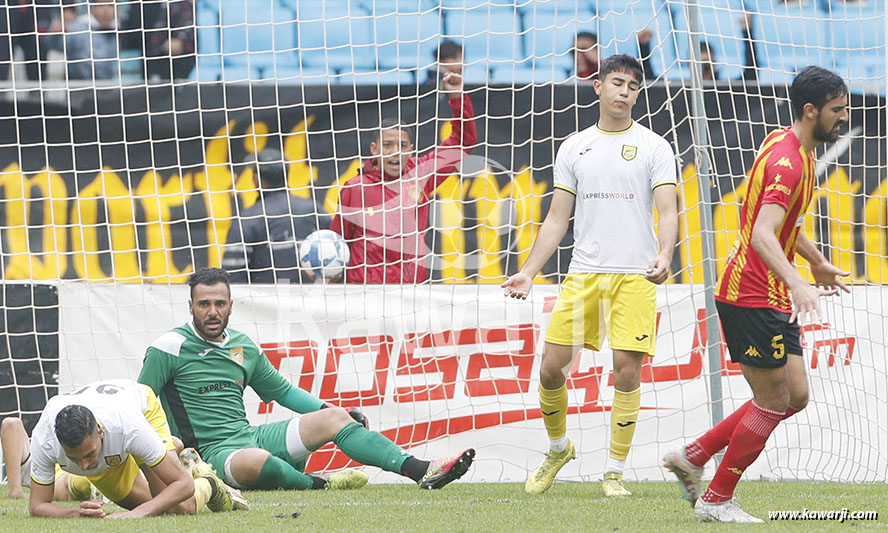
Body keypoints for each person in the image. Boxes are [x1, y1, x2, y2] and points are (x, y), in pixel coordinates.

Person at [663, 66, 849, 523]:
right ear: (811, 111)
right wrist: (797, 280)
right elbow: (763, 235)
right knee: (772, 402)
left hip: (769, 294)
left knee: (795, 396)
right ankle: (715, 499)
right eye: (837, 111)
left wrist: (815, 261)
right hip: (751, 295)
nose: (844, 119)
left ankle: (695, 453)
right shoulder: (789, 163)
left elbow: (780, 224)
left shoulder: (789, 145)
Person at [502, 54, 679, 497]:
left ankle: (614, 473)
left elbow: (668, 208)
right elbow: (557, 218)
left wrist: (664, 253)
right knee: (550, 371)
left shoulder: (655, 146)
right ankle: (559, 448)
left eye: (633, 86)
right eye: (617, 82)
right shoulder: (574, 147)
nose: (624, 91)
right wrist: (527, 272)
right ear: (597, 86)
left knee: (625, 374)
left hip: (634, 278)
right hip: (584, 276)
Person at [138, 267, 475, 491]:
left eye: (219, 304)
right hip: (211, 453)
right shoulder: (168, 348)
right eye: (204, 304)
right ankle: (318, 484)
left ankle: (421, 469)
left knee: (335, 417)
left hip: (250, 436)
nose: (212, 312)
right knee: (258, 462)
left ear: (231, 306)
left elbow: (281, 391)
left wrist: (332, 409)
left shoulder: (243, 346)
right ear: (191, 306)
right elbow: (142, 405)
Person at [26, 378, 249, 518]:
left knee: (180, 508)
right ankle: (166, 451)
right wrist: (75, 512)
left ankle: (208, 480)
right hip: (119, 440)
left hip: (142, 409)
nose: (84, 466)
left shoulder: (127, 427)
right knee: (157, 503)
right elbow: (37, 506)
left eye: (89, 455)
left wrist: (135, 514)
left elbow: (183, 485)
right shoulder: (44, 439)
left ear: (100, 433)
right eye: (74, 459)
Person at [330, 72, 476, 284]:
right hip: (361, 295)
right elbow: (338, 241)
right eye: (387, 145)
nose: (394, 152)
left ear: (411, 150)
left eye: (402, 146)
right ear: (374, 149)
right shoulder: (355, 188)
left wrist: (457, 97)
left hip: (409, 296)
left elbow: (463, 142)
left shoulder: (421, 174)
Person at [222, 148, 330, 284]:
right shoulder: (315, 210)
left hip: (264, 302)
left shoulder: (248, 218)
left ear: (256, 179)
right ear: (286, 176)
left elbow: (233, 275)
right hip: (314, 300)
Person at [637, 13, 758, 81]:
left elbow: (751, 76)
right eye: (699, 65)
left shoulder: (727, 89)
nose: (703, 69)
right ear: (688, 65)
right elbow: (650, 82)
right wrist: (644, 47)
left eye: (706, 64)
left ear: (715, 63)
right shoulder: (680, 90)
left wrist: (747, 33)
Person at [1, 417, 95, 501]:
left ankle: (97, 492)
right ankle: (15, 491)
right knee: (11, 423)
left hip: (62, 477)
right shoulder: (42, 455)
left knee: (83, 479)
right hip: (38, 469)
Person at [119, 0, 196, 81]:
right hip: (141, 68)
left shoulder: (182, 5)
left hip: (175, 70)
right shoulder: (137, 6)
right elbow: (128, 38)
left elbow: (179, 44)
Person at [65, 0, 119, 81]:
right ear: (92, 8)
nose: (105, 10)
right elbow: (59, 43)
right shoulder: (78, 29)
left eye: (110, 5)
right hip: (81, 88)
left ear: (118, 9)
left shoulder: (122, 30)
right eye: (100, 5)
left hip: (111, 88)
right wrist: (56, 35)